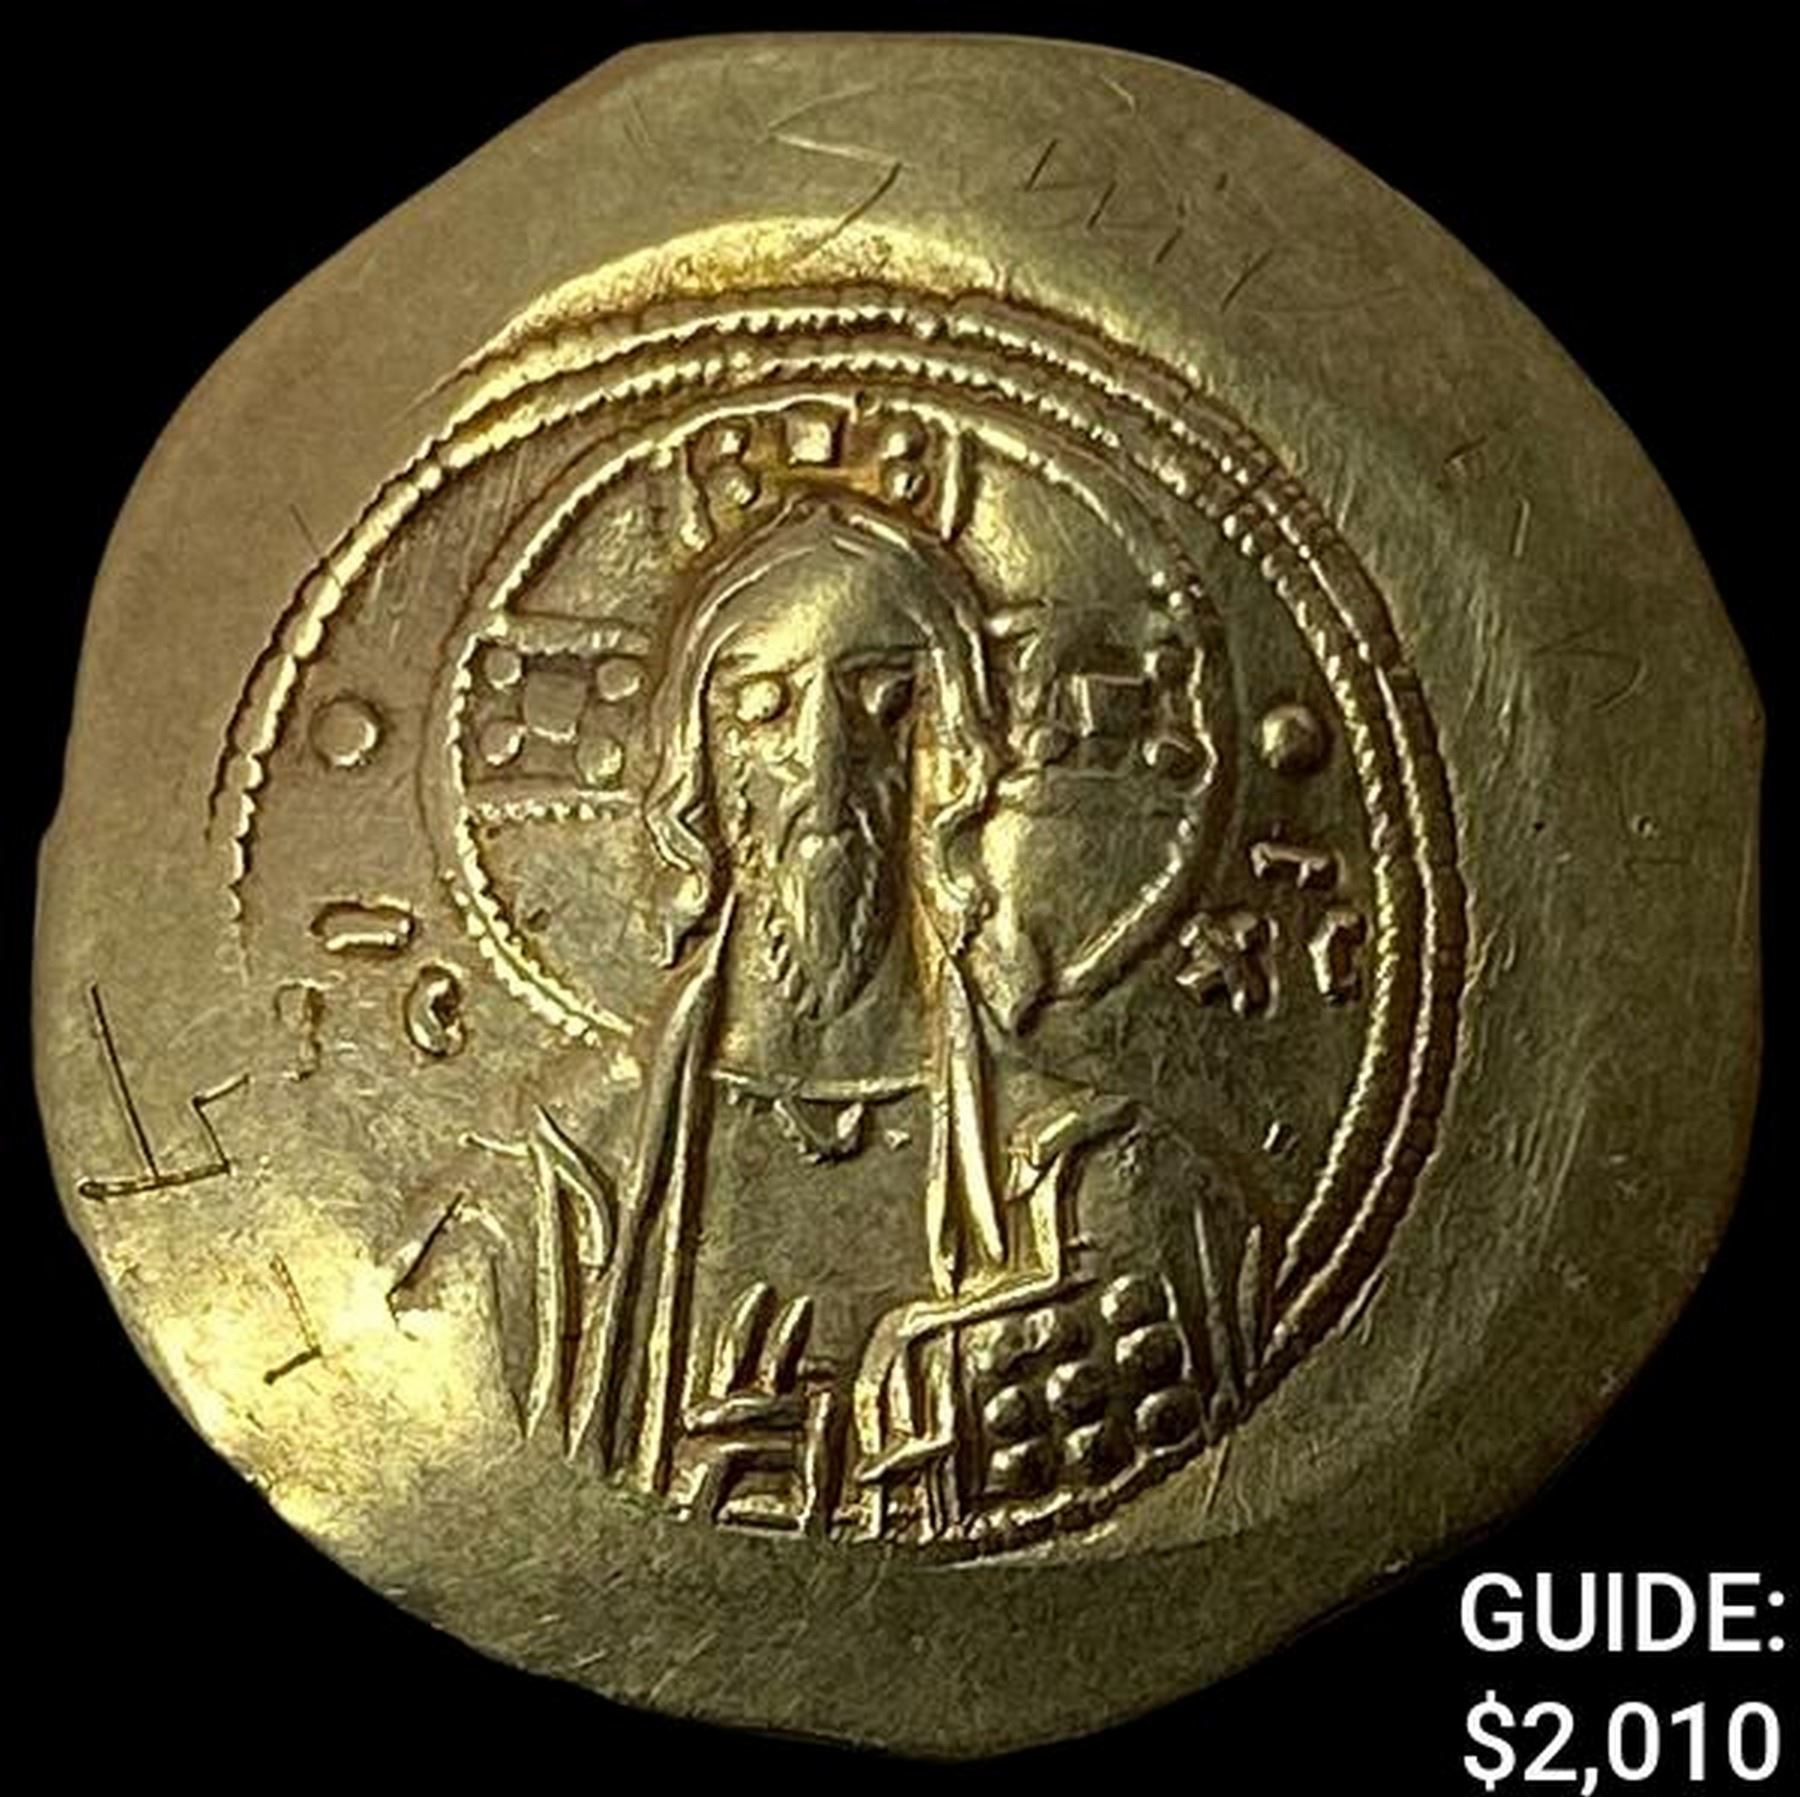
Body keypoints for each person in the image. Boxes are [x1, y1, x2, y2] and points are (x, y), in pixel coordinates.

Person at [527, 495, 1257, 1544]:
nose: (827, 768)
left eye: (886, 699)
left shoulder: (1100, 1176)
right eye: (764, 709)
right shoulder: (573, 1177)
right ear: (697, 775)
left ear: (955, 765)